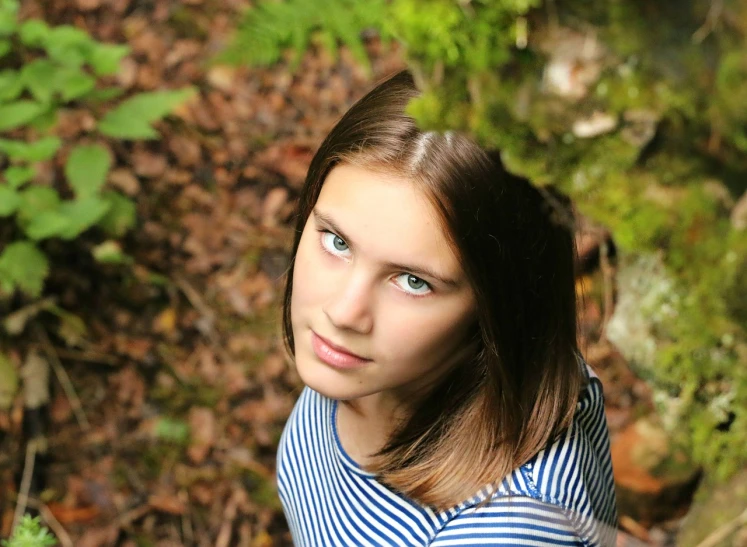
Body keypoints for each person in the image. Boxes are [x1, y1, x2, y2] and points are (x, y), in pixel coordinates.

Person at [275, 69, 618, 546]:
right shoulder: (374, 367)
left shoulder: (505, 531)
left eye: (413, 281)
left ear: (495, 309)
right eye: (337, 242)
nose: (343, 312)